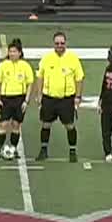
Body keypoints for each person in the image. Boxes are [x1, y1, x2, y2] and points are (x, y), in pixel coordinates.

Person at [34, 31, 85, 163]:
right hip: (49, 98)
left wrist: (78, 97)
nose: (60, 45)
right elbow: (40, 76)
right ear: (53, 44)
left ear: (65, 43)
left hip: (66, 99)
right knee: (46, 124)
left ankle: (72, 151)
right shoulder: (47, 58)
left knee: (70, 125)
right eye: (57, 43)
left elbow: (79, 78)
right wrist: (39, 95)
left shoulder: (73, 59)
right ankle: (43, 150)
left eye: (62, 43)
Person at [0, 39, 34, 160]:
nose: (12, 54)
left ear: (20, 53)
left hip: (19, 98)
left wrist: (26, 101)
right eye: (10, 51)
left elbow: (30, 84)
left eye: (14, 51)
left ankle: (14, 148)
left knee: (16, 124)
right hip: (6, 98)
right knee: (3, 124)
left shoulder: (25, 66)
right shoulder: (3, 65)